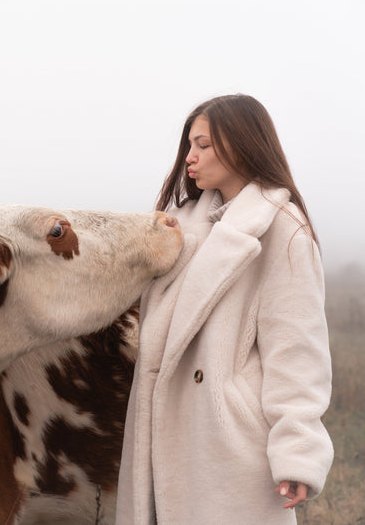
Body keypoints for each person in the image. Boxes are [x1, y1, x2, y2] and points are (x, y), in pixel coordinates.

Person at [116, 94, 334, 524]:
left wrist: (297, 451)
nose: (189, 158)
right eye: (189, 146)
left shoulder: (283, 229)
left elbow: (295, 350)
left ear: (241, 144)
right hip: (164, 429)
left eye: (203, 145)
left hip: (227, 441)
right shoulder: (179, 227)